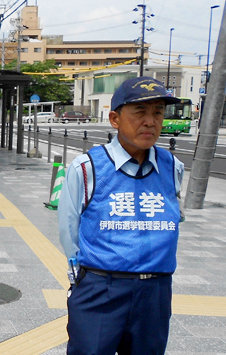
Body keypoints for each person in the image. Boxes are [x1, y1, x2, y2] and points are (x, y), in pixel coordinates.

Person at [58, 76, 184, 355]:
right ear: (115, 119)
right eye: (140, 112)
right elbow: (69, 230)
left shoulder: (173, 167)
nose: (150, 122)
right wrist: (85, 279)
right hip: (101, 288)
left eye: (158, 113)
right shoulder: (87, 167)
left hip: (155, 292)